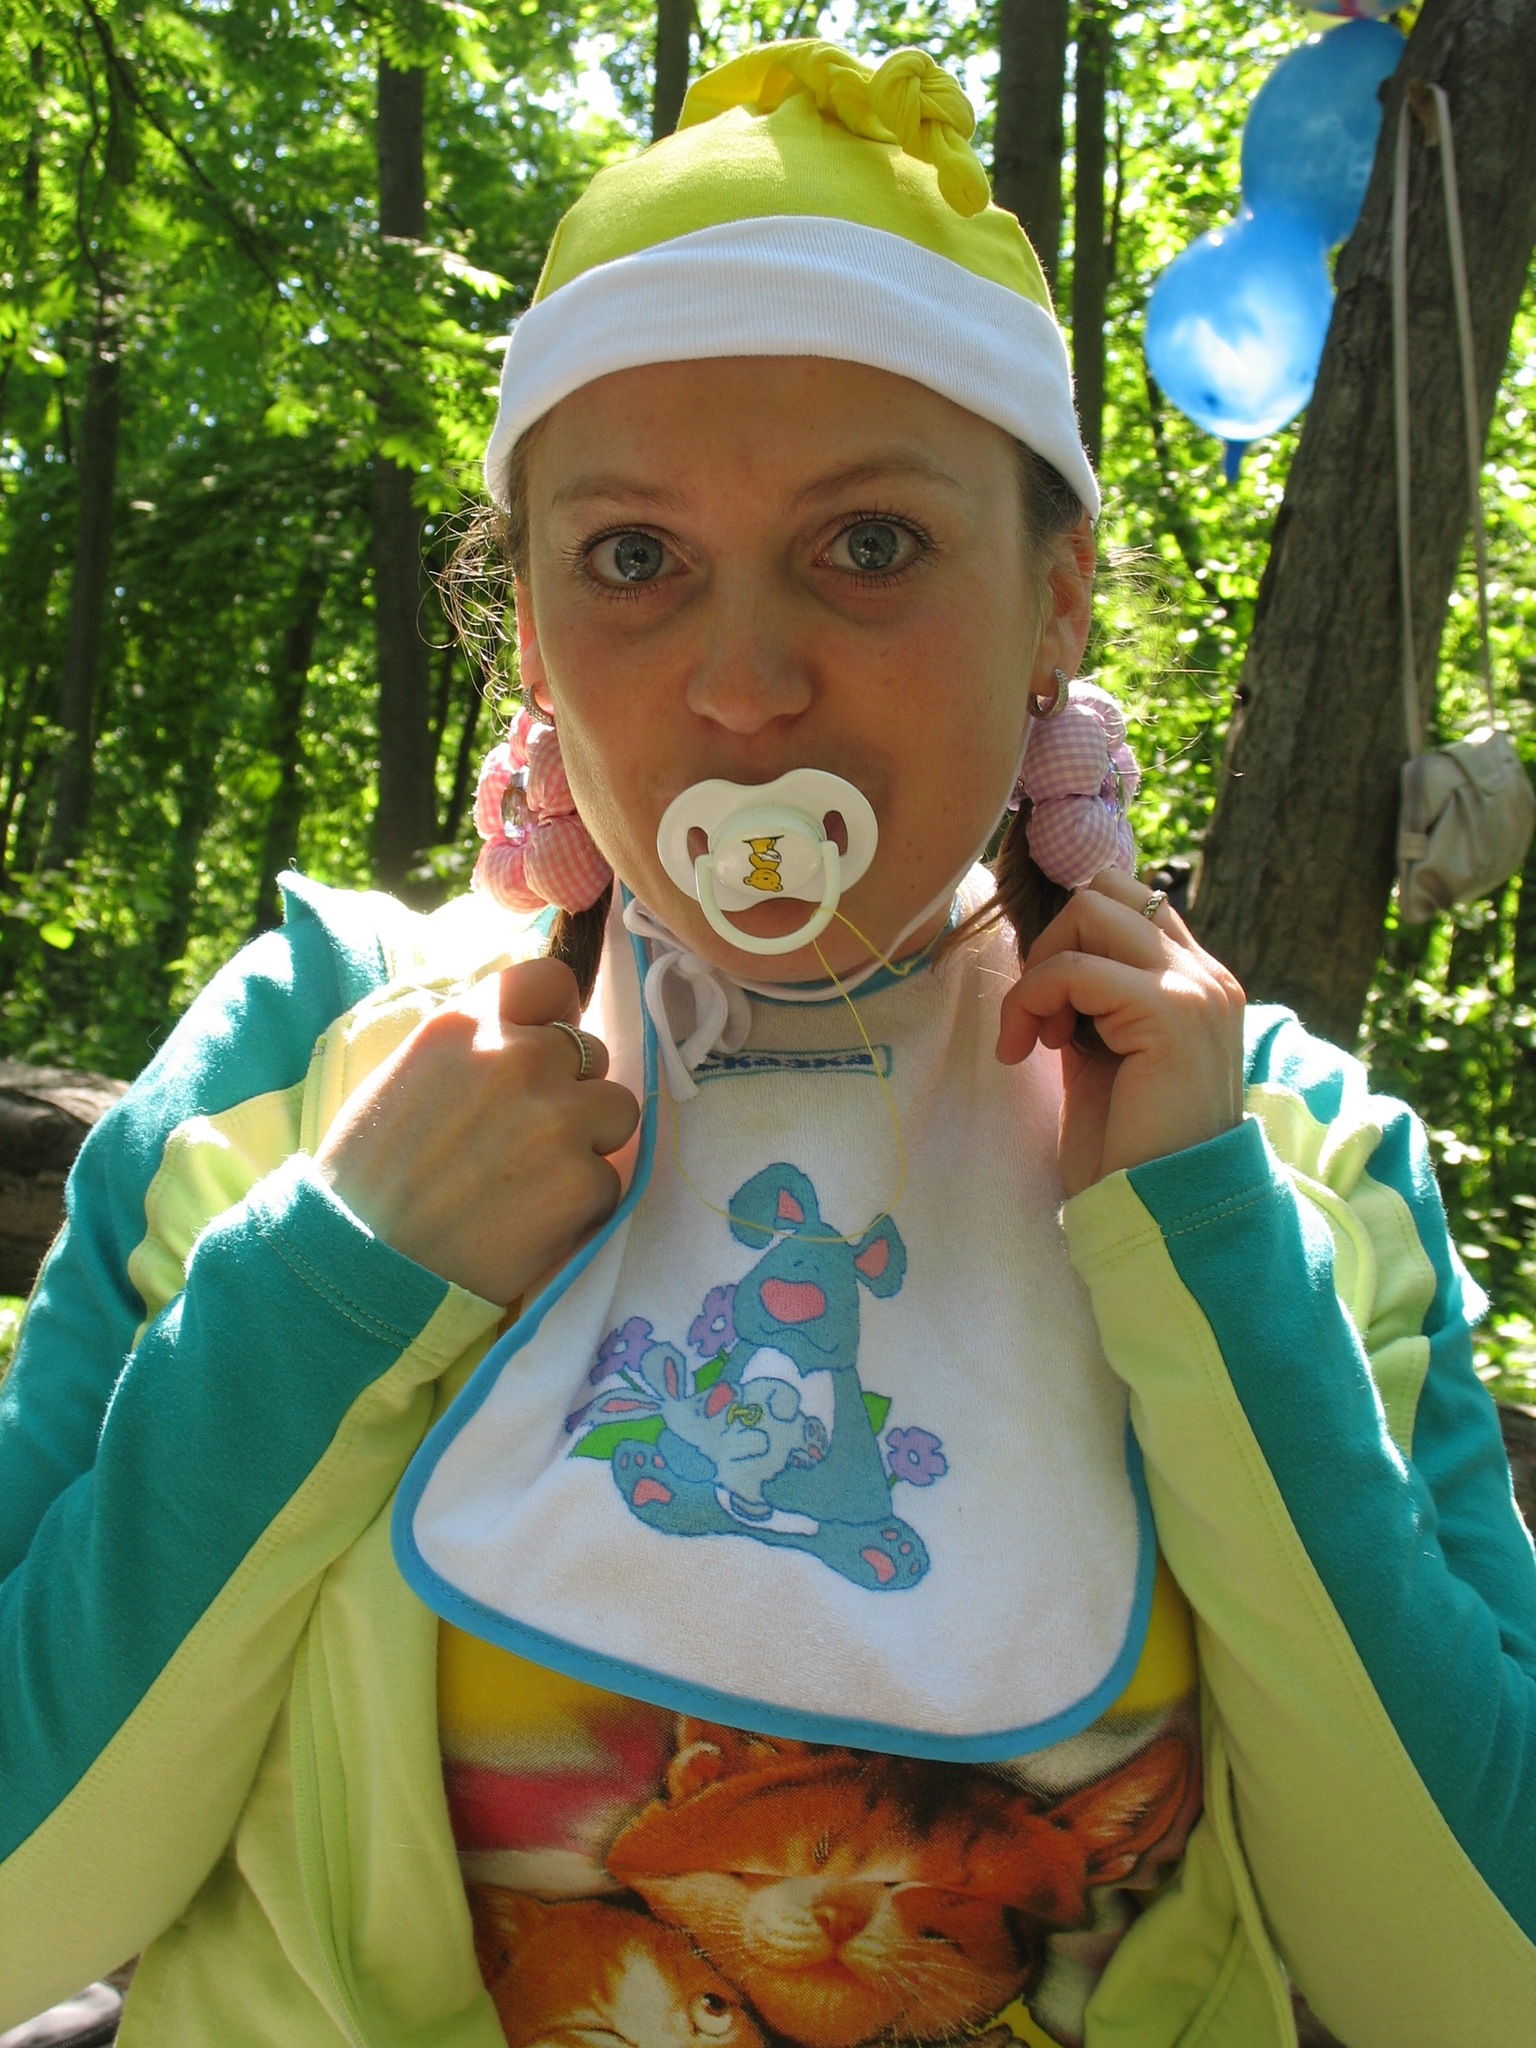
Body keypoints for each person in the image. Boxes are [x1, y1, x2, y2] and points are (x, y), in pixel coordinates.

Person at [1, 38, 1533, 2048]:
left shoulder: (1291, 1156)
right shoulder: (301, 1063)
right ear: (534, 632)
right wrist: (336, 1283)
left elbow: (1480, 1985)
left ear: (1056, 601)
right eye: (633, 560)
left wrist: (1213, 1262)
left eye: (868, 544)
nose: (744, 687)